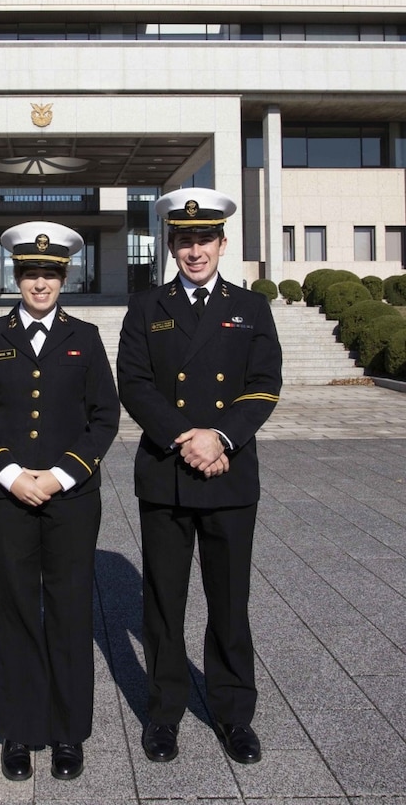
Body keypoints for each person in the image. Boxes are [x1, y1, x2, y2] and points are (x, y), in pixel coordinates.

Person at [117, 189, 281, 766]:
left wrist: (222, 438)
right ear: (170, 244)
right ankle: (164, 713)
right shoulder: (146, 306)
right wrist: (188, 437)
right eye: (184, 240)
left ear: (222, 243)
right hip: (167, 472)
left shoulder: (250, 306)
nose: (194, 250)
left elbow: (263, 384)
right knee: (163, 600)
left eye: (204, 239)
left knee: (229, 600)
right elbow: (133, 383)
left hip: (229, 473)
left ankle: (233, 714)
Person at [0, 222, 119, 782]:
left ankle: (69, 732)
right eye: (30, 273)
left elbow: (104, 418)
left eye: (50, 272)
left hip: (71, 498)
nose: (41, 282)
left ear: (65, 276)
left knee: (71, 611)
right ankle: (23, 732)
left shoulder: (88, 336)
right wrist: (8, 474)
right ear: (16, 276)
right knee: (18, 612)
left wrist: (59, 476)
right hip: (7, 498)